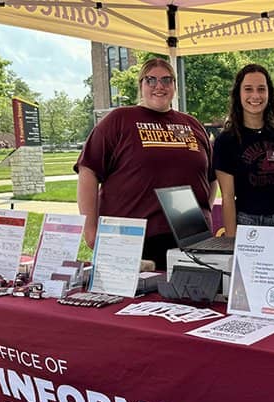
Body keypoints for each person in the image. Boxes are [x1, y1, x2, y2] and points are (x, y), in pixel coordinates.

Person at [75, 57, 216, 270]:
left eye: (167, 80)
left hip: (191, 238)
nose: (159, 86)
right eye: (151, 80)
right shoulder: (119, 120)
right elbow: (88, 171)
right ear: (141, 85)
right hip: (132, 239)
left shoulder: (192, 124)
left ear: (174, 86)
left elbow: (211, 176)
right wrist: (91, 231)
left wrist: (204, 212)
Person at [213, 64, 274, 237]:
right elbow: (228, 198)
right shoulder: (226, 141)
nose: (255, 95)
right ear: (238, 94)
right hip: (247, 223)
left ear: (269, 94)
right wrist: (232, 242)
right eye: (248, 89)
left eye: (261, 89)